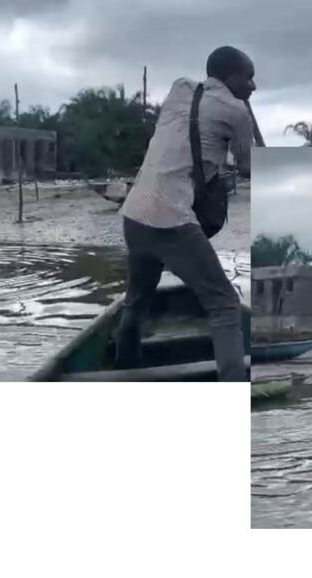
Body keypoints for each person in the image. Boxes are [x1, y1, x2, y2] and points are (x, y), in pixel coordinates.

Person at [115, 46, 256, 382]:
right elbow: (249, 165)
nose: (254, 86)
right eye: (248, 77)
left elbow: (186, 143)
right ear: (229, 76)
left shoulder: (181, 89)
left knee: (136, 300)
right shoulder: (236, 111)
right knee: (223, 304)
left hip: (134, 213)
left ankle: (124, 369)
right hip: (171, 219)